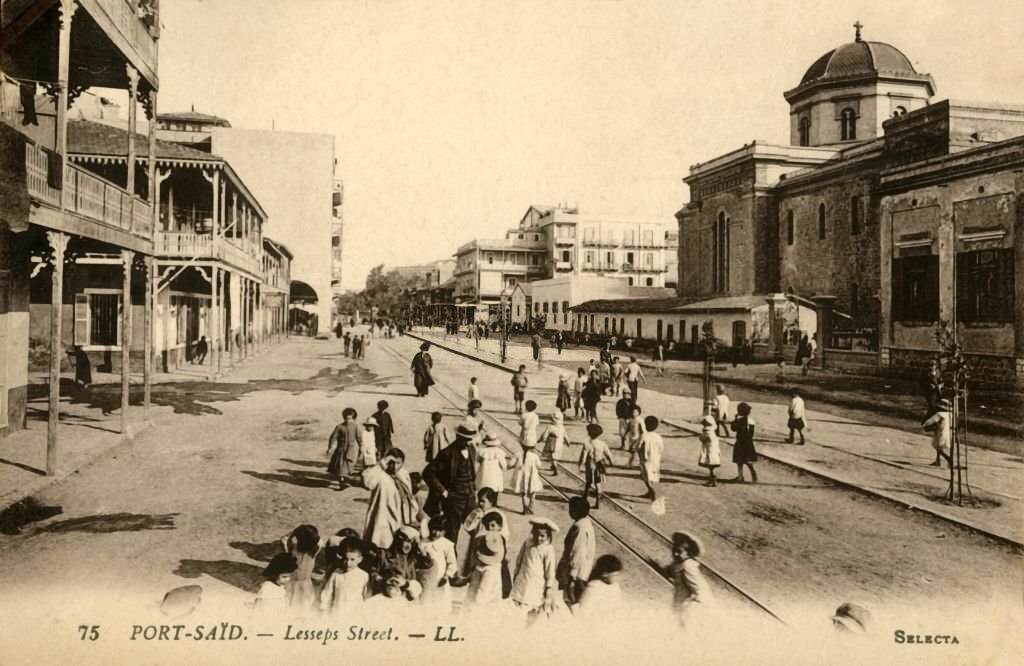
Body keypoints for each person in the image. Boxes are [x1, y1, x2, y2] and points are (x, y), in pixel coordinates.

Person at [423, 425, 479, 541]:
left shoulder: (471, 449)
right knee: (452, 533)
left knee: (476, 528)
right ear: (458, 437)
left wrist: (474, 489)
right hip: (454, 499)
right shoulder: (447, 453)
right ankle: (451, 558)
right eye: (465, 439)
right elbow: (428, 473)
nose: (468, 442)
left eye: (470, 439)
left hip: (470, 496)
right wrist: (443, 492)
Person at [362, 448, 418, 550]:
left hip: (401, 518)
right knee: (382, 545)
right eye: (391, 463)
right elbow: (367, 482)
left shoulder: (403, 474)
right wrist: (382, 463)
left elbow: (409, 496)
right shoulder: (380, 475)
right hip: (384, 517)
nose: (395, 467)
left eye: (398, 463)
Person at [455, 488, 509, 579]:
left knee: (493, 568)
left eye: (483, 501)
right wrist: (475, 518)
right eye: (479, 500)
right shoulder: (478, 512)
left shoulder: (497, 514)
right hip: (478, 543)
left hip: (492, 545)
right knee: (476, 564)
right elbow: (468, 527)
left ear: (491, 502)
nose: (480, 503)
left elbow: (504, 533)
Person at [511, 517, 559, 619]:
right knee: (516, 608)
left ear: (548, 536)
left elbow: (550, 571)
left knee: (532, 608)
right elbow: (520, 559)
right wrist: (516, 574)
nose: (538, 538)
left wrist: (549, 588)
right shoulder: (528, 543)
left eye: (542, 536)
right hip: (522, 580)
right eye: (536, 535)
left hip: (536, 585)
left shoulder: (548, 550)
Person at [664, 531, 711, 629]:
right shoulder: (678, 564)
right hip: (678, 604)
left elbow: (700, 590)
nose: (675, 554)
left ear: (689, 553)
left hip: (688, 610)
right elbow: (670, 571)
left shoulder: (688, 566)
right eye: (674, 550)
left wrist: (690, 608)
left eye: (679, 552)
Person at [556, 496, 595, 608]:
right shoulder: (586, 524)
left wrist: (572, 575)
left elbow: (578, 551)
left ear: (574, 511)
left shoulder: (580, 527)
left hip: (577, 573)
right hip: (583, 570)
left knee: (572, 601)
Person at [465, 516, 507, 609]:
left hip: (484, 603)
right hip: (481, 570)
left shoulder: (498, 542)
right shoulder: (483, 538)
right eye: (487, 526)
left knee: (484, 594)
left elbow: (482, 593)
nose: (489, 528)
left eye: (492, 525)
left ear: (500, 527)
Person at [418, 515, 457, 612]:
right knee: (425, 600)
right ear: (430, 528)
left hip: (440, 578)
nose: (436, 533)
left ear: (445, 531)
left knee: (439, 601)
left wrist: (447, 576)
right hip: (426, 578)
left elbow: (452, 563)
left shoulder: (447, 544)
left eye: (441, 530)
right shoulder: (423, 543)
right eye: (434, 529)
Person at [319, 539, 370, 614]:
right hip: (338, 611)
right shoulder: (336, 574)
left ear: (360, 559)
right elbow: (327, 592)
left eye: (352, 559)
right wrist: (324, 609)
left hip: (355, 613)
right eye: (346, 559)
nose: (348, 563)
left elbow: (366, 597)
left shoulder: (363, 575)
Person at [283, 524, 320, 611]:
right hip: (306, 584)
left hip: (294, 583)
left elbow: (287, 558)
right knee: (305, 605)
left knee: (291, 604)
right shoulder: (313, 553)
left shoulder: (295, 551)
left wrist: (285, 543)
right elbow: (320, 542)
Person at [326, 407, 362, 490]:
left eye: (350, 418)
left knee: (347, 467)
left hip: (351, 450)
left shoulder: (355, 426)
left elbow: (359, 438)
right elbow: (333, 437)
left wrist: (361, 447)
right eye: (346, 418)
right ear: (343, 417)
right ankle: (342, 483)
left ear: (353, 418)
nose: (348, 420)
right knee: (339, 467)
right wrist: (330, 447)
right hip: (340, 450)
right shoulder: (339, 427)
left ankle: (344, 481)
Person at [580, 424, 613, 509]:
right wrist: (611, 462)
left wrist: (581, 465)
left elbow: (584, 455)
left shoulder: (587, 444)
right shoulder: (602, 443)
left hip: (590, 464)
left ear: (589, 433)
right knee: (598, 483)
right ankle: (597, 502)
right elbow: (608, 454)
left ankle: (584, 497)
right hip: (599, 464)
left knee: (588, 482)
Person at [638, 416, 664, 500]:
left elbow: (638, 446)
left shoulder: (644, 436)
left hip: (645, 459)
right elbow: (661, 448)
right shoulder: (658, 436)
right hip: (656, 458)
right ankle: (649, 491)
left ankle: (651, 490)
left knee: (644, 475)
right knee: (653, 475)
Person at [731, 402, 758, 483]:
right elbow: (751, 433)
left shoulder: (740, 420)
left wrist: (735, 419)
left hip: (740, 442)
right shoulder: (751, 420)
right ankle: (753, 474)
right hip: (749, 442)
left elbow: (734, 428)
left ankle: (740, 476)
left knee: (739, 461)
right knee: (748, 460)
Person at [477, 433, 510, 499]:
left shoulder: (482, 451)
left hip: (484, 477)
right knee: (494, 492)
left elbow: (478, 461)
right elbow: (504, 466)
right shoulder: (500, 452)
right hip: (495, 478)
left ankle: (481, 503)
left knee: (482, 492)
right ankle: (493, 504)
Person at [922, 398, 953, 468]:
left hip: (941, 432)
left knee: (936, 446)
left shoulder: (939, 414)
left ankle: (948, 459)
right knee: (940, 446)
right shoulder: (951, 414)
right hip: (949, 432)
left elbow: (929, 422)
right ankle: (938, 460)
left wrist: (924, 424)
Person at [698, 415, 721, 487]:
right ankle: (712, 480)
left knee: (710, 465)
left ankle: (712, 480)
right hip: (714, 450)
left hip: (709, 450)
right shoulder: (713, 430)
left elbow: (703, 439)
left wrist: (701, 438)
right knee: (712, 466)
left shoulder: (707, 431)